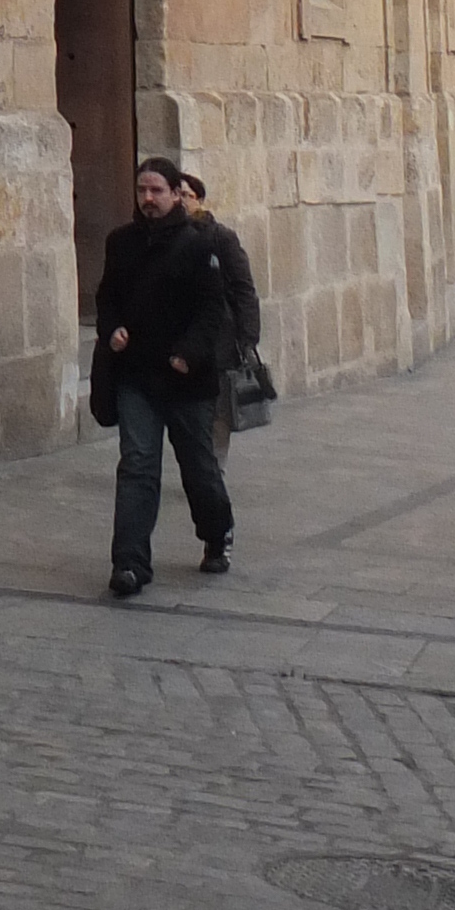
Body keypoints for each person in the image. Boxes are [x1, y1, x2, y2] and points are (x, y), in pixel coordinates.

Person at [92, 158, 232, 597]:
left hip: (185, 379)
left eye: (156, 191)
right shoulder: (121, 243)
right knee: (137, 466)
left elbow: (214, 310)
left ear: (176, 193)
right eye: (141, 191)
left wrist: (189, 354)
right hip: (137, 375)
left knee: (198, 466)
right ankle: (130, 563)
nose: (148, 199)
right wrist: (111, 329)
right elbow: (107, 298)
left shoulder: (199, 244)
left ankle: (216, 533)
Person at [176, 168, 263, 455]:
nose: (181, 201)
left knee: (218, 409)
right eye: (176, 194)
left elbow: (243, 289)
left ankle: (214, 466)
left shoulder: (221, 237)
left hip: (219, 338)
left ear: (199, 199)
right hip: (180, 336)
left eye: (186, 195)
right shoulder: (167, 238)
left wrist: (248, 338)